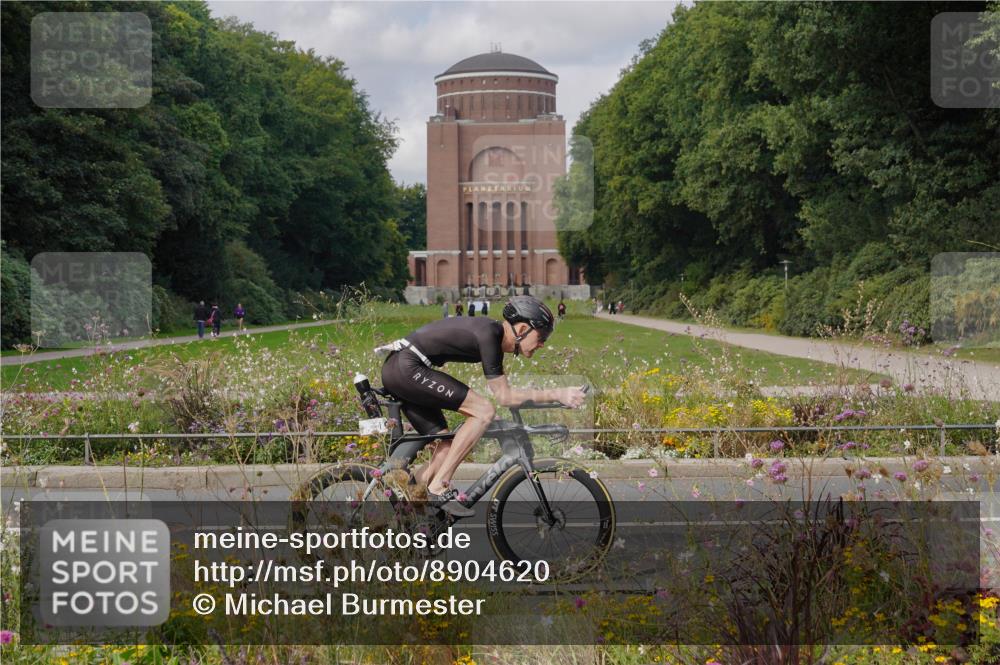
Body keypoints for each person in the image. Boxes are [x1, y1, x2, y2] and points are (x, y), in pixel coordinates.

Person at [377, 295, 586, 517]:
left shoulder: (492, 335)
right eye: (542, 336)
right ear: (523, 328)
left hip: (402, 368)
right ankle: (439, 486)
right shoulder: (490, 334)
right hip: (406, 367)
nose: (543, 343)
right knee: (484, 411)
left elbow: (505, 393)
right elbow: (505, 397)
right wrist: (558, 393)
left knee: (446, 446)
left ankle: (411, 515)